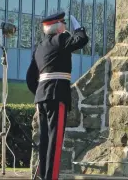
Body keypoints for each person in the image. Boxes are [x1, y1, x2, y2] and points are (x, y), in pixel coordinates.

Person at [26, 11, 89, 180]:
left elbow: (30, 78)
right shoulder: (60, 39)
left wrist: (40, 93)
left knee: (45, 142)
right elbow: (81, 40)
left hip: (41, 98)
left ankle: (44, 176)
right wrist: (80, 28)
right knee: (55, 141)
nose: (65, 26)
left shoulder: (39, 47)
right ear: (59, 27)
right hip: (57, 95)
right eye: (64, 23)